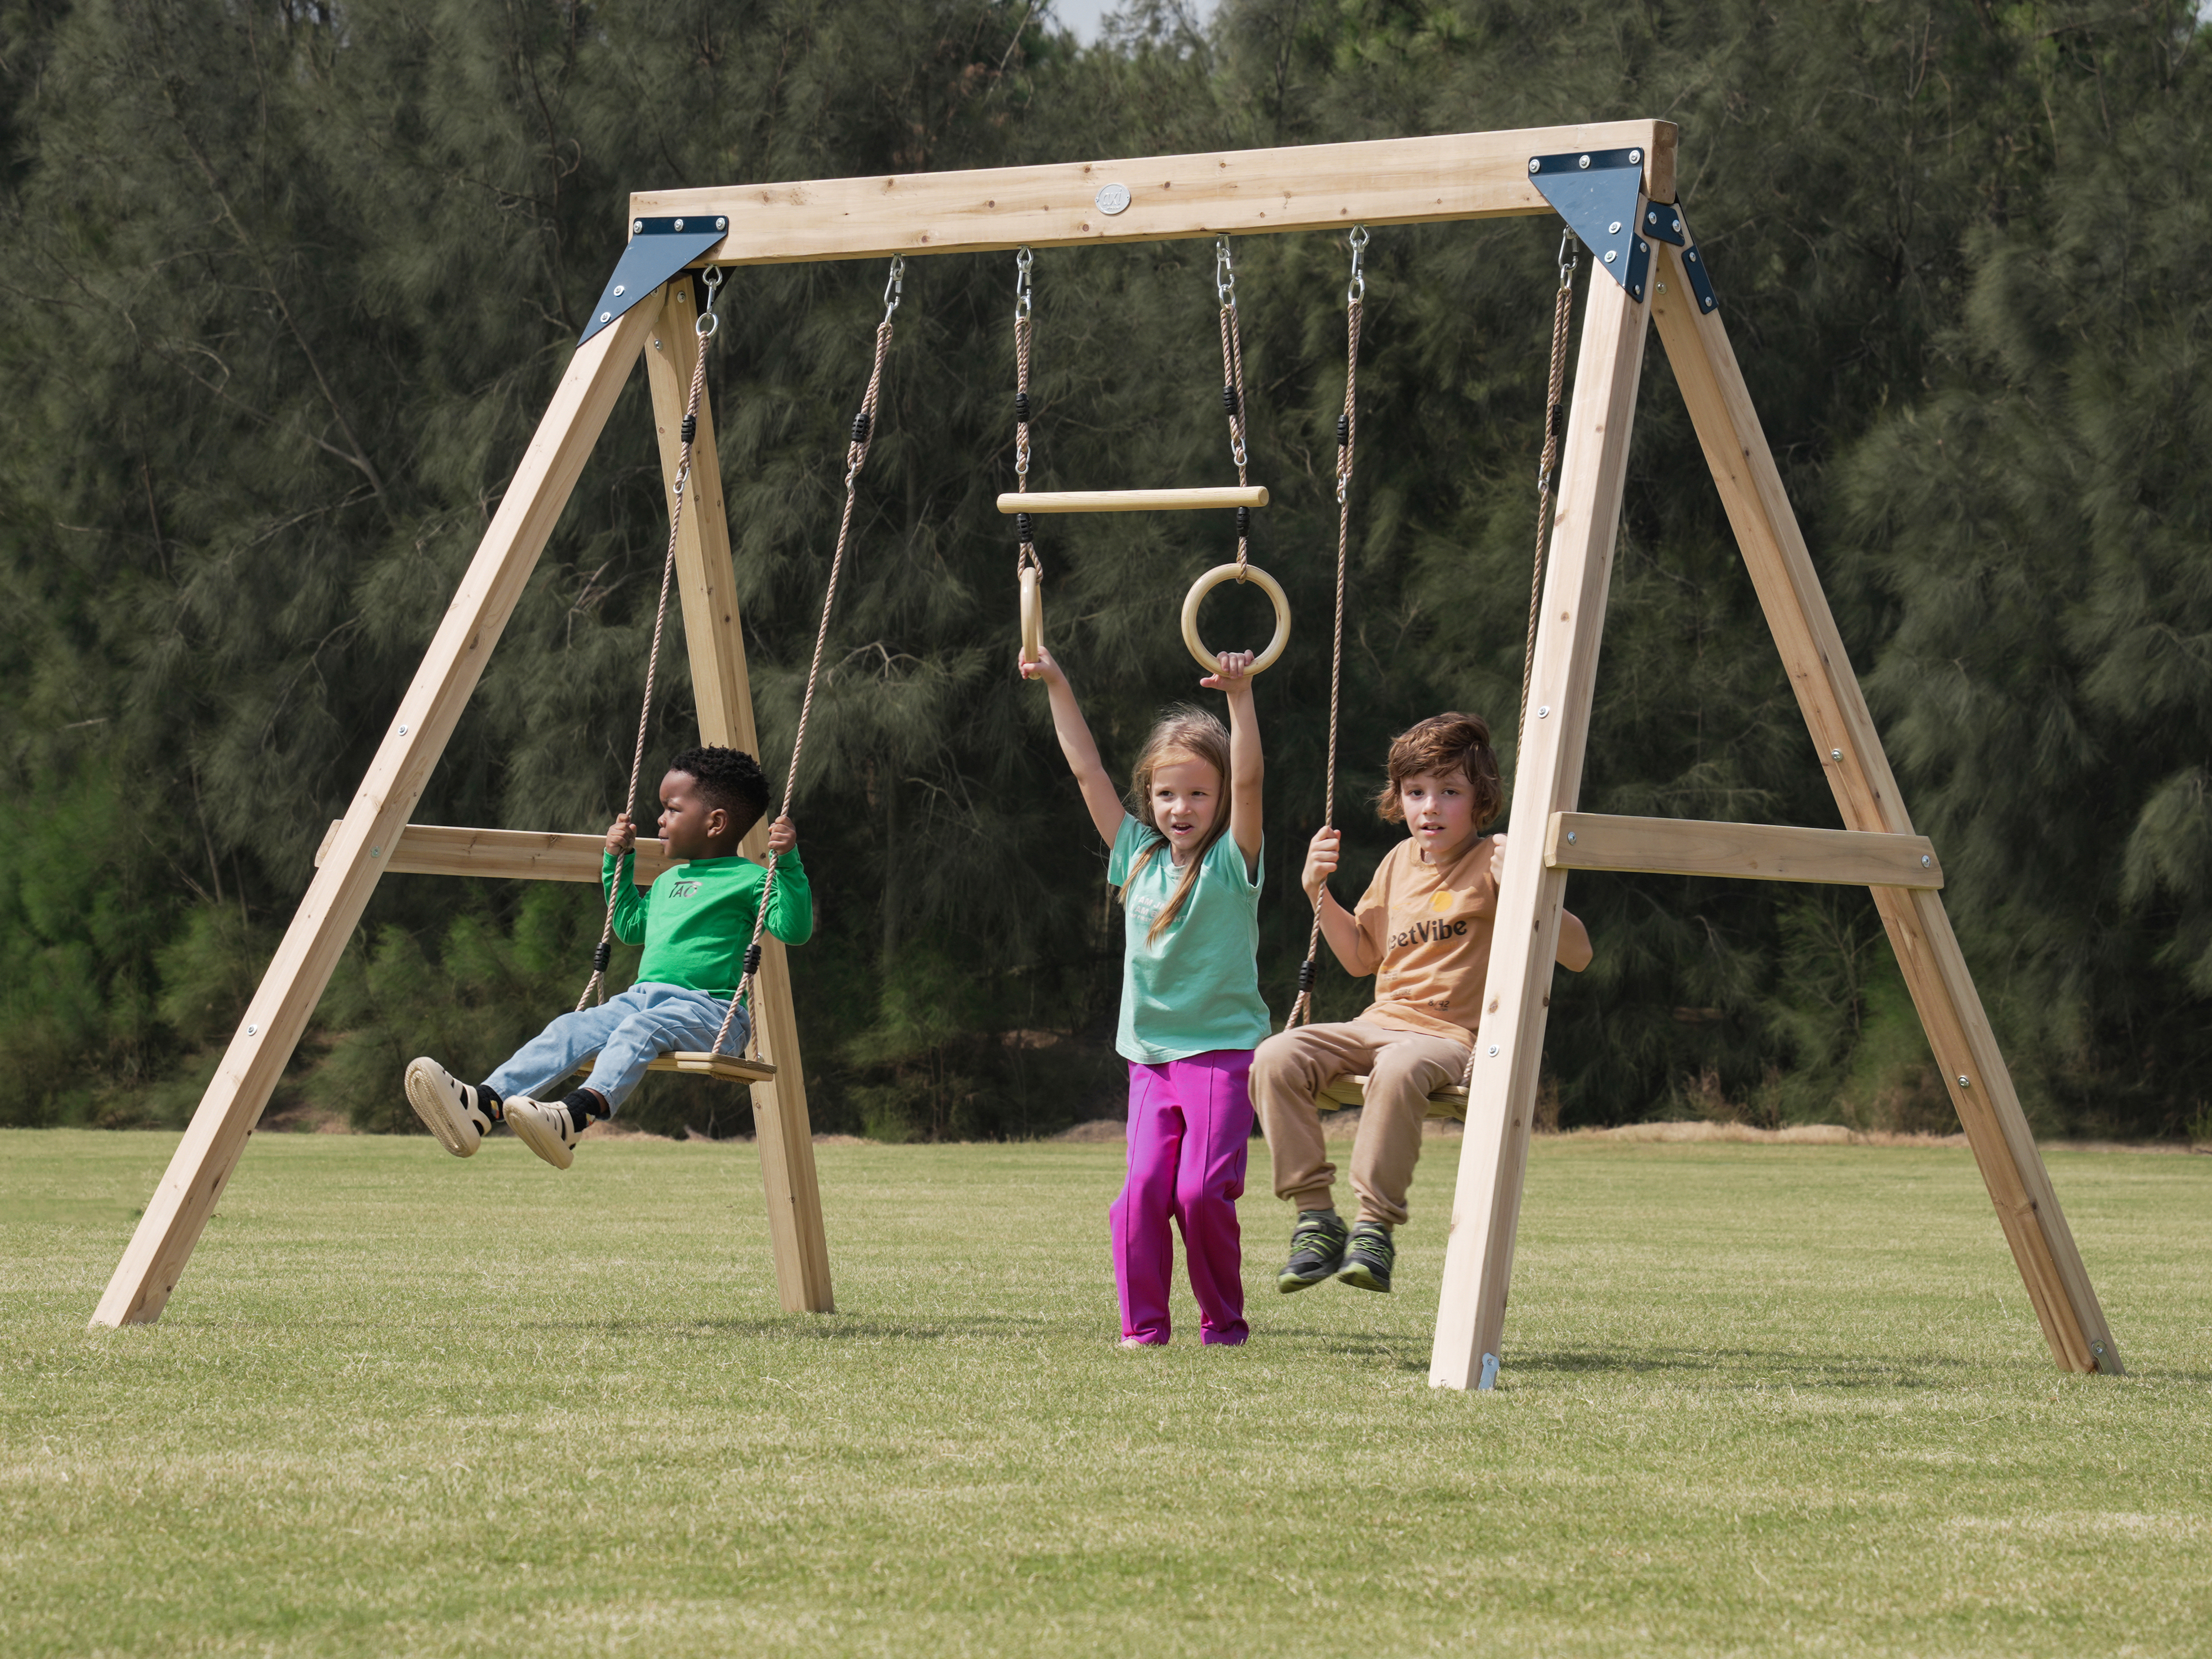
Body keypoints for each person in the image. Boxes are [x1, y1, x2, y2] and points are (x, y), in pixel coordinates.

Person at [1252, 711, 1592, 1295]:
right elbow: (1362, 957)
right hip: (1379, 1023)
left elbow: (1580, 953)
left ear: (1480, 800)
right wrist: (1317, 892)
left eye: (1449, 793)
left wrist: (1530, 891)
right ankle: (1315, 1218)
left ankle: (1373, 1227)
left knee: (1400, 1066)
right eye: (1415, 793)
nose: (1429, 807)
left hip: (1448, 1039)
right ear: (1399, 798)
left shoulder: (1494, 861)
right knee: (1275, 1055)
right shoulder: (1396, 864)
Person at [402, 745, 810, 1170]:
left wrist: (790, 864)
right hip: (642, 998)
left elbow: (793, 929)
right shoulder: (671, 880)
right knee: (571, 1027)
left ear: (716, 823)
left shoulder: (751, 880)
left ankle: (574, 1117)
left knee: (641, 1028)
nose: (660, 820)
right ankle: (484, 1105)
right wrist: (618, 862)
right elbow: (631, 925)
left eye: (671, 809)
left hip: (711, 1014)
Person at [1022, 643, 1268, 1347]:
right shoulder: (1136, 855)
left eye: (1197, 793)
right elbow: (1085, 768)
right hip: (1150, 1060)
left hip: (1221, 1054)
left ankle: (1223, 1325)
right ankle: (1144, 1331)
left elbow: (1251, 782)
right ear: (1149, 798)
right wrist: (1058, 682)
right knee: (1137, 1198)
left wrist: (1239, 697)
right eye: (1166, 793)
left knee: (1197, 1193)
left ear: (1218, 799)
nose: (1180, 807)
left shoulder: (1231, 858)